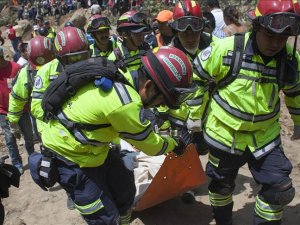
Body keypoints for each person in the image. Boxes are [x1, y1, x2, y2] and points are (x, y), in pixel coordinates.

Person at [30, 46, 194, 225]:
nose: (159, 105)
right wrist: (175, 144)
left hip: (93, 149)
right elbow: (152, 145)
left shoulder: (121, 73)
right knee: (103, 217)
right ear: (148, 86)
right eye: (161, 99)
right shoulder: (126, 104)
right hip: (70, 157)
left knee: (125, 192)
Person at [193, 0, 300, 224]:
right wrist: (193, 121)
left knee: (279, 191)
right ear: (257, 27)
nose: (276, 44)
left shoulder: (290, 60)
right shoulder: (226, 50)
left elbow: (295, 94)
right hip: (224, 136)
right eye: (270, 36)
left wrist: (298, 122)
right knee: (221, 186)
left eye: (282, 38)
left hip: (265, 139)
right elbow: (196, 81)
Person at [169, 0, 211, 204]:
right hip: (181, 115)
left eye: (195, 29)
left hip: (209, 113)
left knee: (206, 149)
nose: (190, 35)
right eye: (184, 31)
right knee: (185, 150)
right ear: (175, 30)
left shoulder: (215, 46)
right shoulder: (168, 54)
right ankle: (189, 187)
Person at [8, 36, 55, 144]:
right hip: (49, 117)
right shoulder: (62, 64)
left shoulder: (27, 72)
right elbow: (17, 97)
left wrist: (13, 122)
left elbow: (17, 98)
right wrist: (13, 122)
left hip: (41, 117)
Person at [0, 46, 32, 175]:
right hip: (3, 111)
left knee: (28, 135)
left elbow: (27, 86)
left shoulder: (16, 68)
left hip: (21, 109)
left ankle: (32, 157)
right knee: (9, 139)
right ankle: (17, 164)